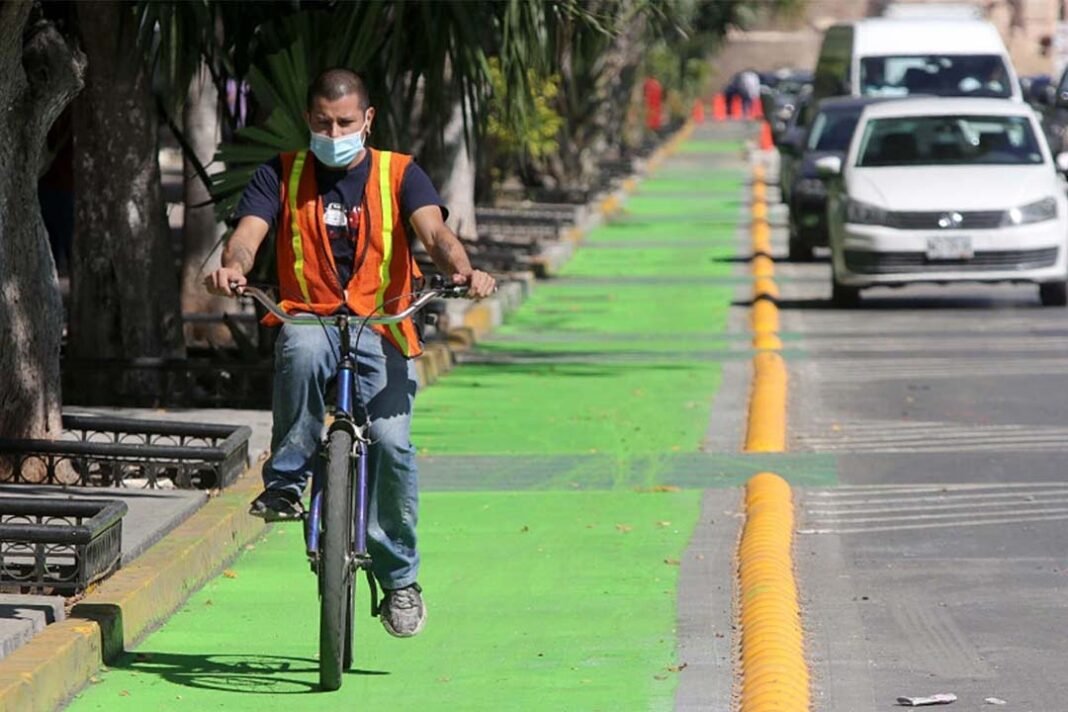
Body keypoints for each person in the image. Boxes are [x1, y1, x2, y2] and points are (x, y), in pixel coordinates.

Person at [205, 68, 496, 638]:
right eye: (320, 121)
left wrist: (462, 270)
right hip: (311, 314)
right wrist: (233, 269)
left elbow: (434, 233)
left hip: (381, 327)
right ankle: (287, 481)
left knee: (390, 444)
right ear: (308, 119)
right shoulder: (280, 173)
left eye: (343, 122)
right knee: (300, 346)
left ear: (367, 120)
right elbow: (246, 235)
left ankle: (400, 582)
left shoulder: (399, 173)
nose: (331, 131)